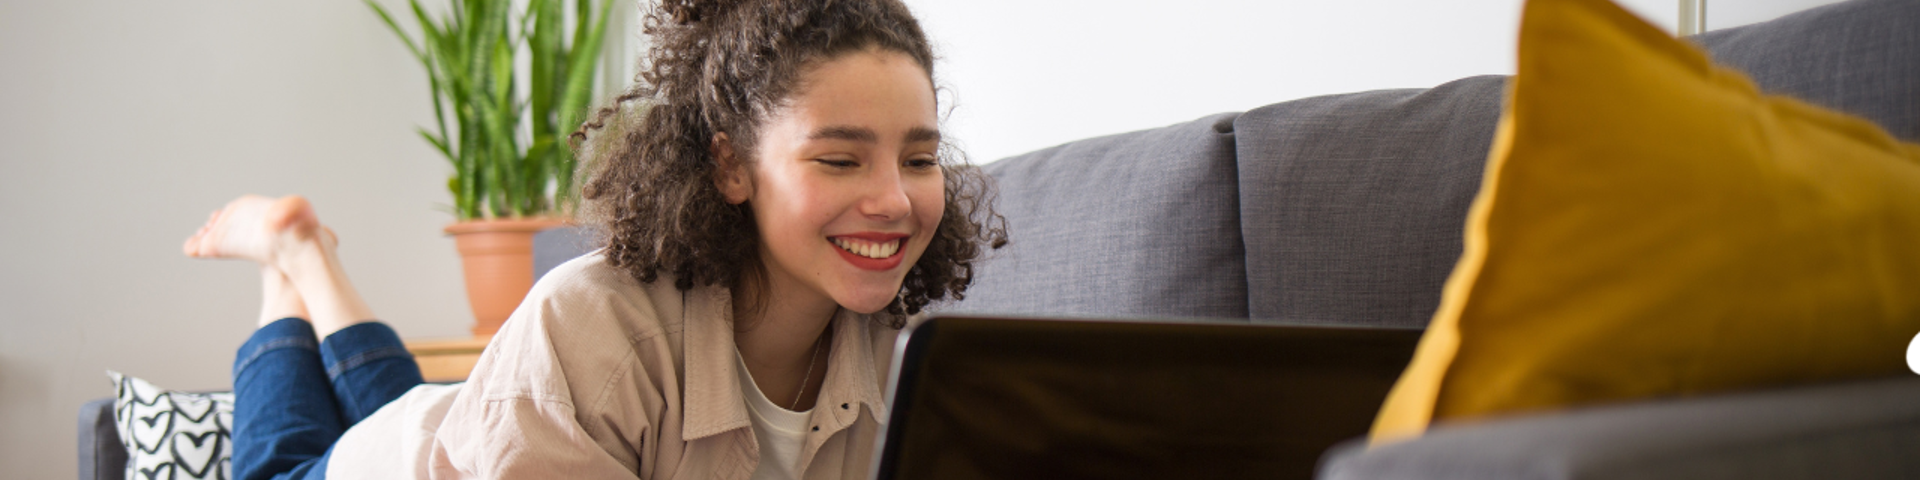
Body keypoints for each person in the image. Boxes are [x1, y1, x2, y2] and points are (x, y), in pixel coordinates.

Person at [182, 0, 1005, 478]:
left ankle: (306, 255)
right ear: (731, 165)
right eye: (838, 158)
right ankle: (286, 264)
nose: (895, 199)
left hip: (465, 424)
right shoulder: (594, 329)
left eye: (921, 157)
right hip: (394, 469)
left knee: (410, 406)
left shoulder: (906, 357)